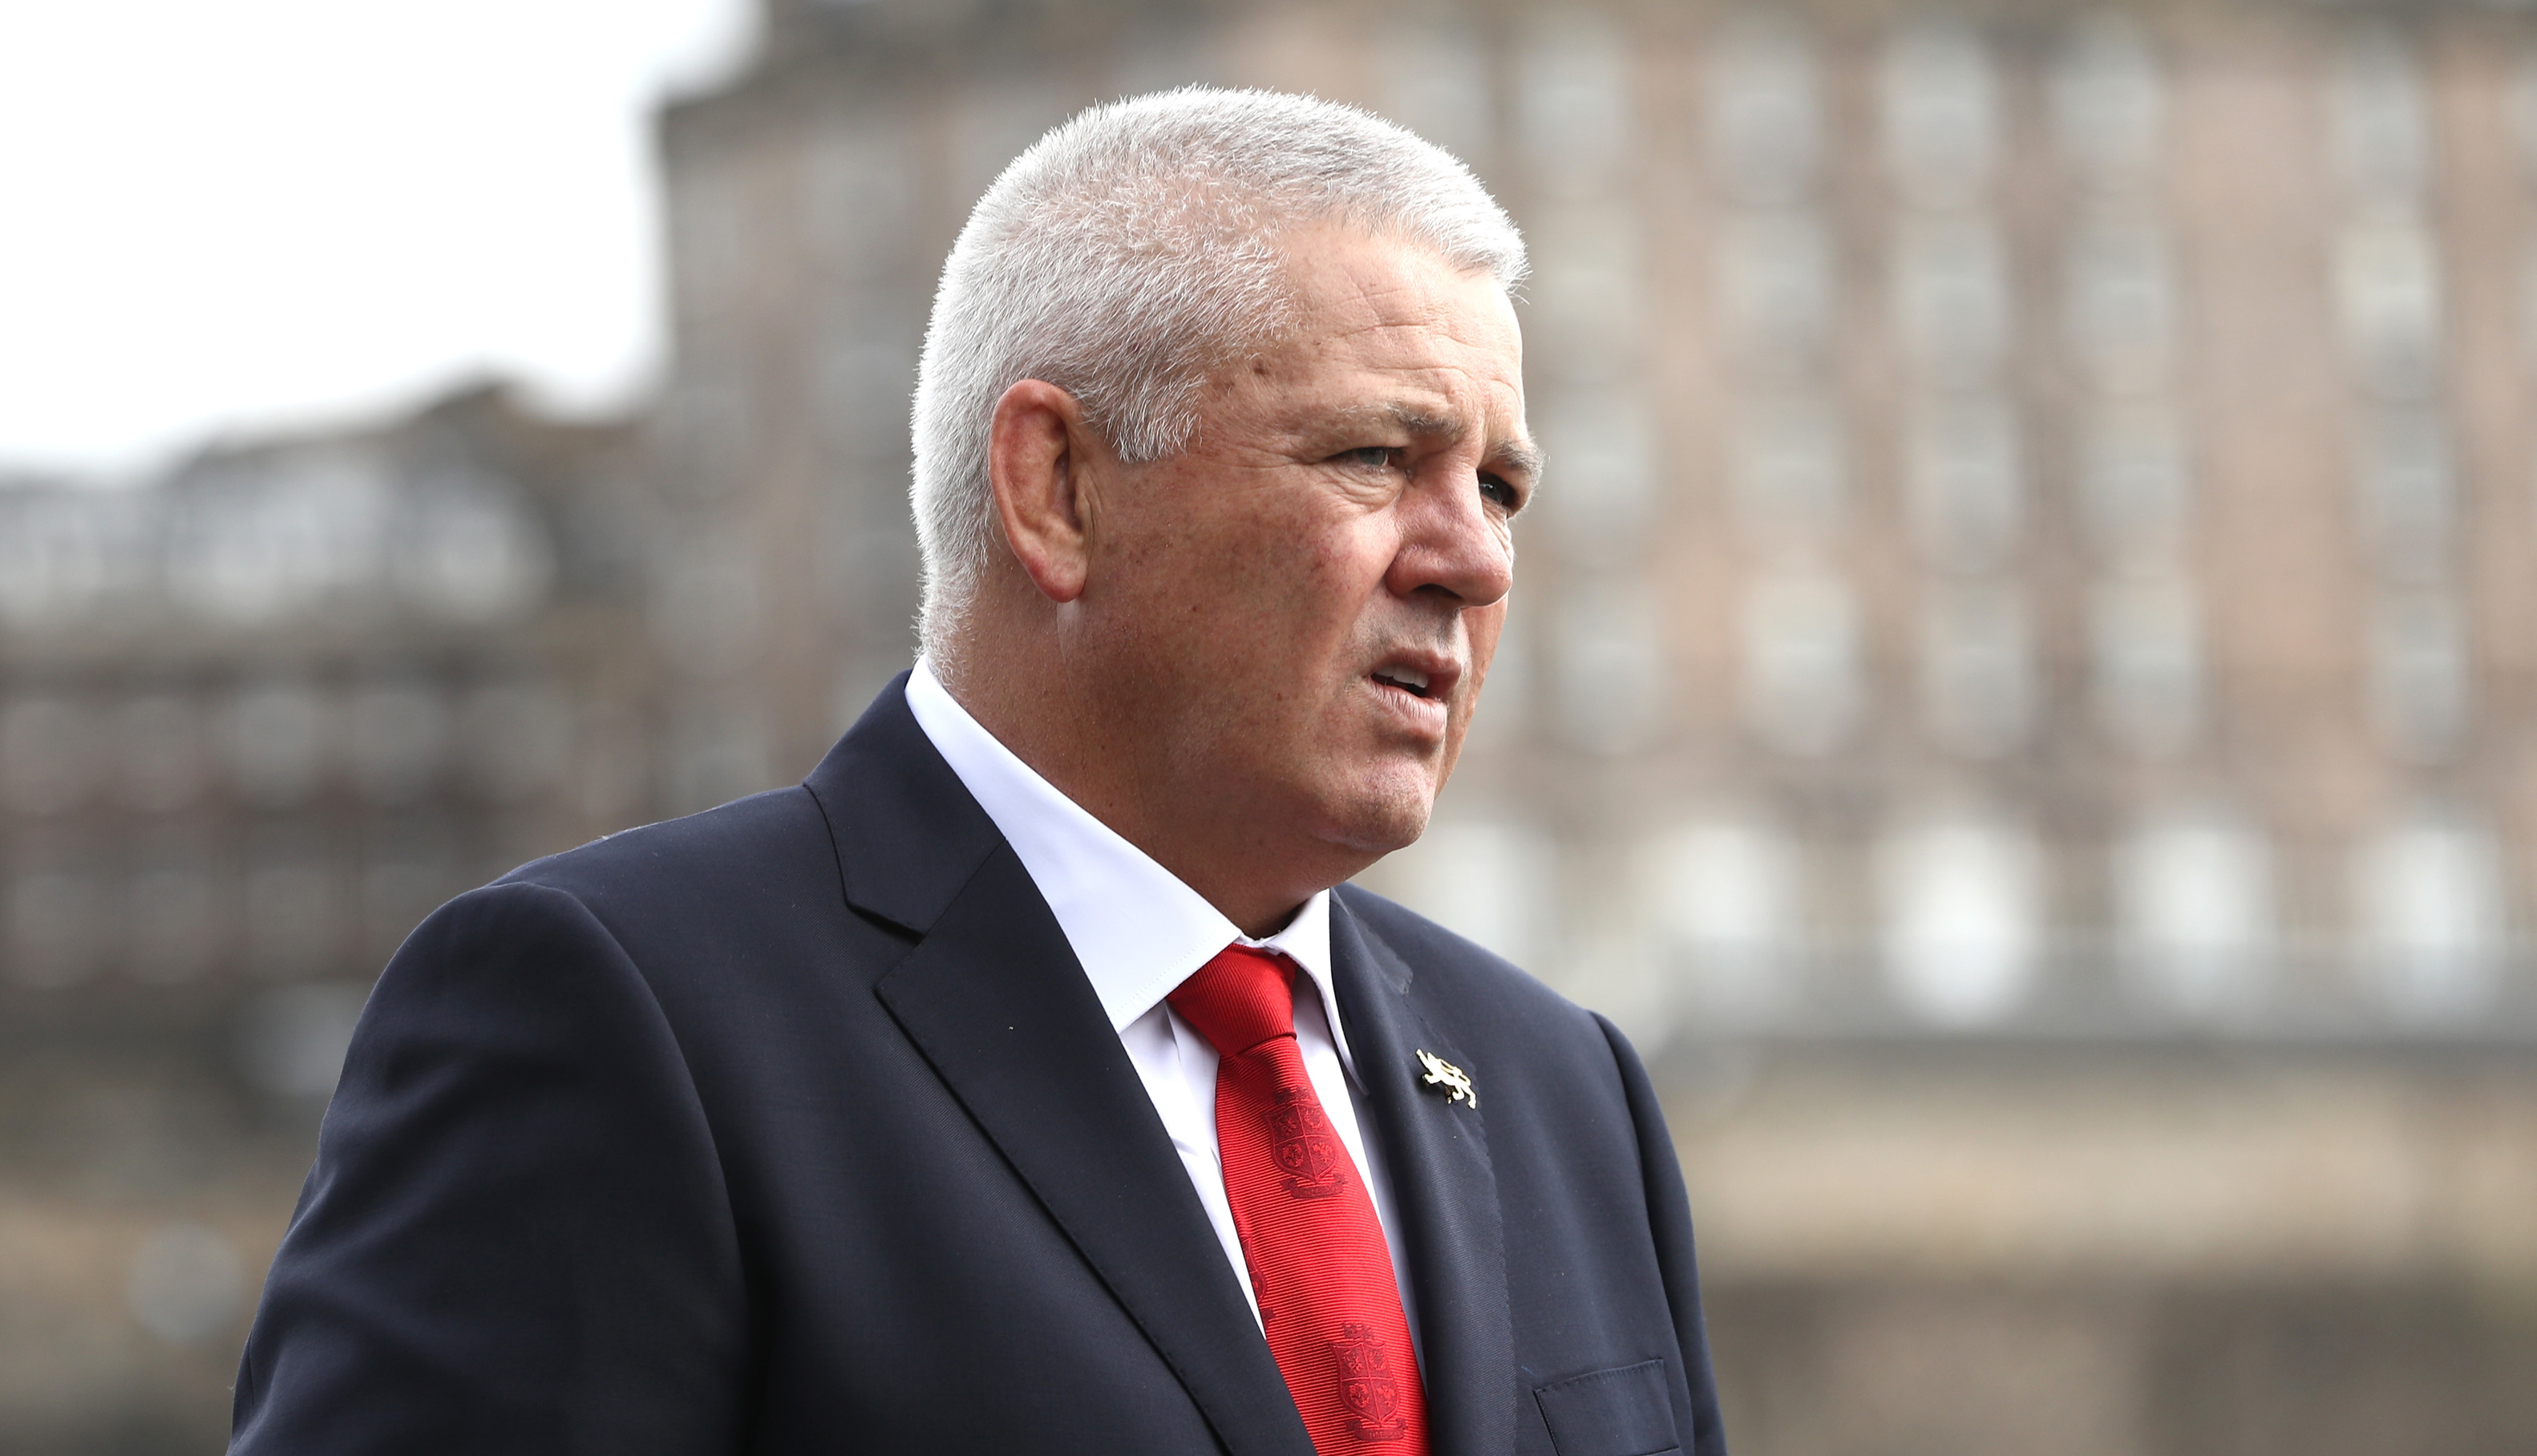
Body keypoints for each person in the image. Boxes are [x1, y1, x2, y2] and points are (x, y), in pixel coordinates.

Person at [230, 88, 1726, 1456]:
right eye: (1371, 458)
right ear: (1057, 489)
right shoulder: (619, 1020)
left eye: (1502, 487)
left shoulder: (1561, 1084)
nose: (1473, 558)